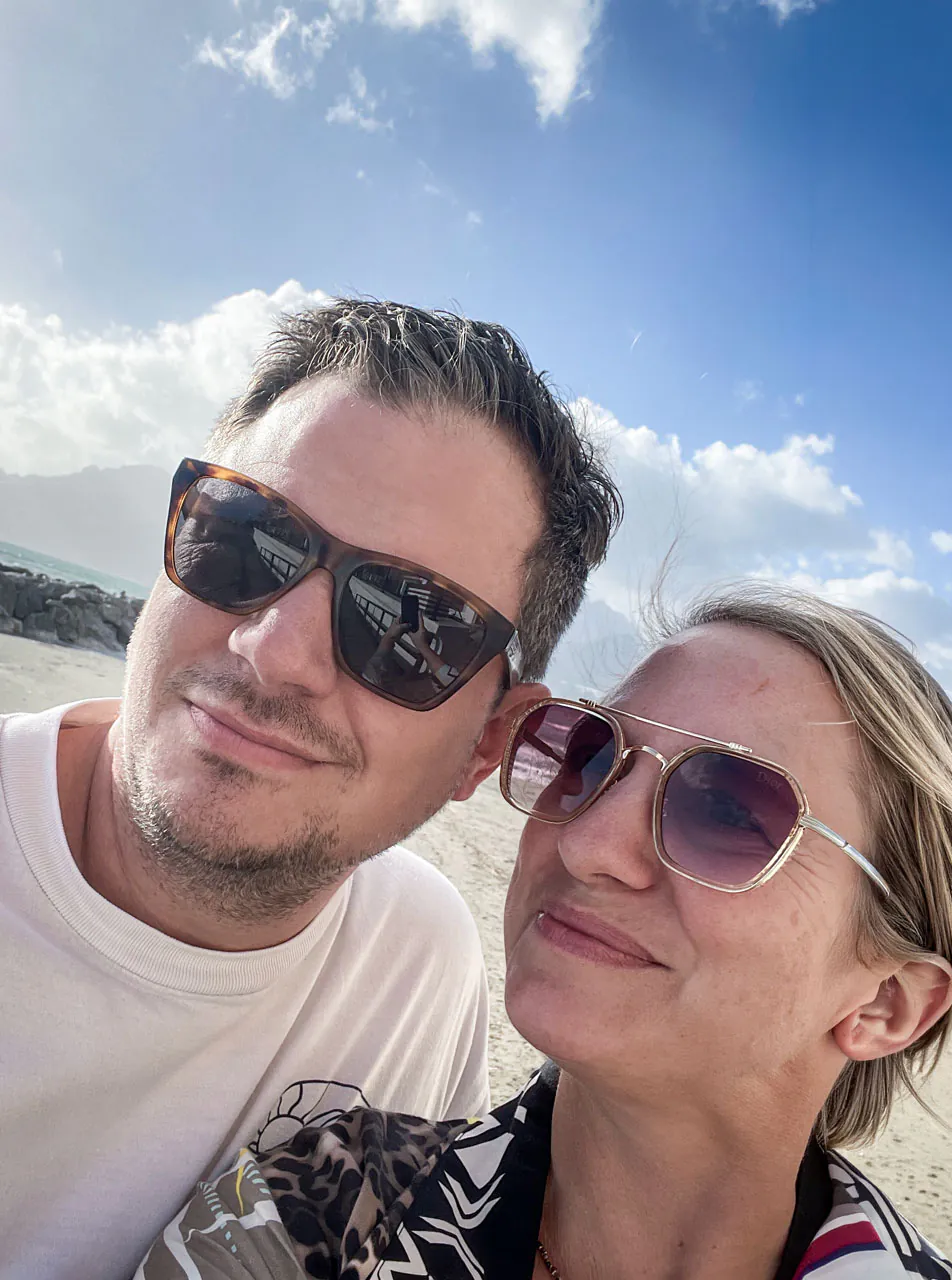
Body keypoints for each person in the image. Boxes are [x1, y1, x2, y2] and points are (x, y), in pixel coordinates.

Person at [0, 300, 621, 1279]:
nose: (274, 648)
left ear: (484, 744)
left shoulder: (416, 966)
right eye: (244, 535)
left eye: (408, 625)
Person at [138, 583, 952, 1280]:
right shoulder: (317, 1213)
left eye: (731, 810)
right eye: (585, 755)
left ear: (886, 1001)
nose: (589, 843)